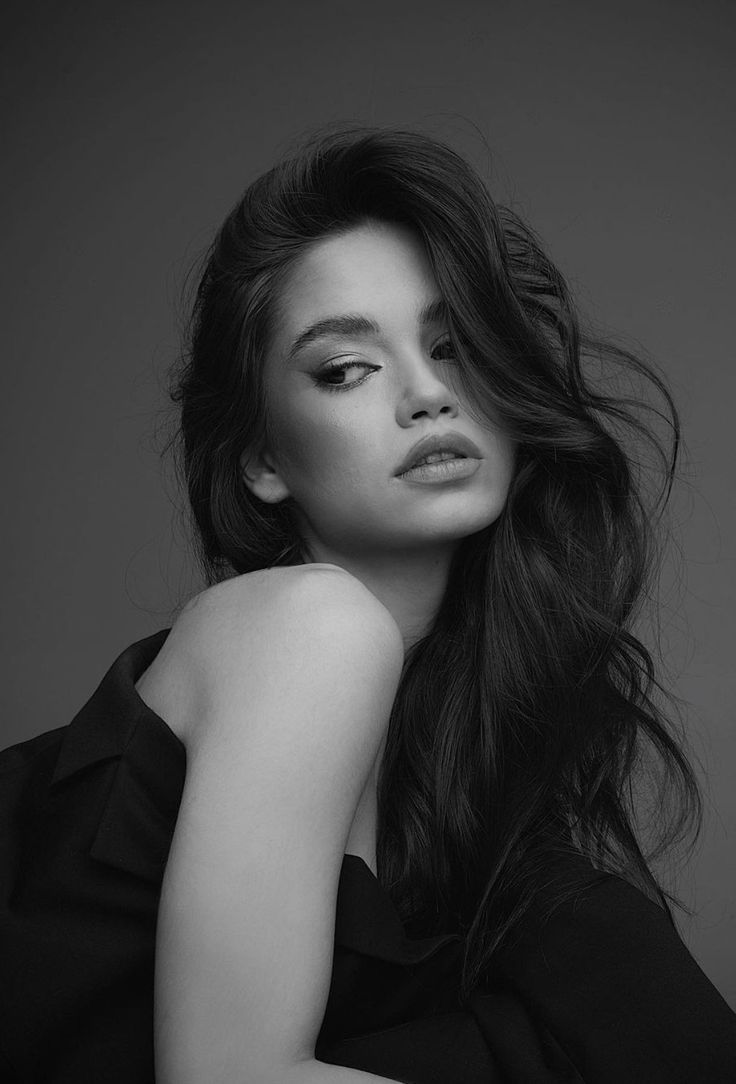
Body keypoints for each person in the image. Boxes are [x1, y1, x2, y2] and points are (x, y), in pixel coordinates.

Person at [1, 128, 735, 1084]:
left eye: (453, 344)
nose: (427, 394)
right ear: (261, 460)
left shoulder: (462, 755)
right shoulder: (310, 628)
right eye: (346, 368)